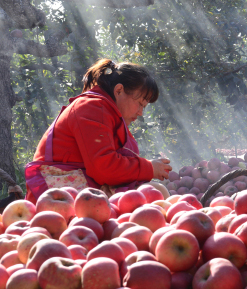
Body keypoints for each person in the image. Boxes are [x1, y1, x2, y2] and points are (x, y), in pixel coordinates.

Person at [25, 58, 172, 204]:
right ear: (119, 90)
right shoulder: (92, 107)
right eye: (140, 104)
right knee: (155, 193)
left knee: (155, 192)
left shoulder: (107, 112)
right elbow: (104, 169)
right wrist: (149, 168)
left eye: (144, 107)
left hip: (80, 191)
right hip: (55, 200)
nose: (140, 113)